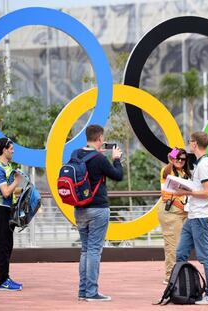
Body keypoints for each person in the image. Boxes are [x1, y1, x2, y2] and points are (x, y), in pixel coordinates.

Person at [75, 125, 123, 301]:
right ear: (100, 138)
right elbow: (118, 175)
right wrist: (116, 159)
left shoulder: (76, 154)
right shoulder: (99, 159)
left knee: (85, 250)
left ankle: (82, 291)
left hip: (79, 208)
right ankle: (92, 292)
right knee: (94, 250)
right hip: (98, 209)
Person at [174, 131, 208, 305]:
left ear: (194, 144)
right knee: (181, 253)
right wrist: (189, 187)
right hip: (193, 215)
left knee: (204, 256)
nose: (188, 145)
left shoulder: (205, 164)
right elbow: (202, 188)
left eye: (189, 142)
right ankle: (181, 288)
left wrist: (187, 191)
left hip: (200, 216)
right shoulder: (200, 164)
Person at [0, 138, 23, 291]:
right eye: (11, 148)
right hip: (1, 209)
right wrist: (17, 181)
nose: (13, 150)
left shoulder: (8, 166)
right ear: (4, 150)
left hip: (8, 209)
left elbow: (10, 191)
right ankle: (2, 281)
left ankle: (5, 277)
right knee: (3, 245)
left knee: (8, 245)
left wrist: (24, 191)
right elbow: (5, 192)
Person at [158, 147, 191, 285]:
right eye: (178, 158)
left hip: (184, 211)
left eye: (183, 159)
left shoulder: (185, 173)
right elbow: (167, 195)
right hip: (170, 210)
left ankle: (178, 272)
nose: (180, 161)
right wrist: (173, 156)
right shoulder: (167, 171)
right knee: (172, 245)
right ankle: (170, 276)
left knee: (181, 245)